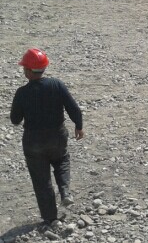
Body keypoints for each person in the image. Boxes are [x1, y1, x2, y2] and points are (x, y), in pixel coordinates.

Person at [10, 48, 84, 226]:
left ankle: (50, 218)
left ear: (28, 71)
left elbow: (15, 120)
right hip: (57, 136)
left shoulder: (22, 92)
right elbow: (74, 108)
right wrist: (79, 126)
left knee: (41, 180)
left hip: (33, 142)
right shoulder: (56, 85)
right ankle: (65, 192)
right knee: (62, 160)